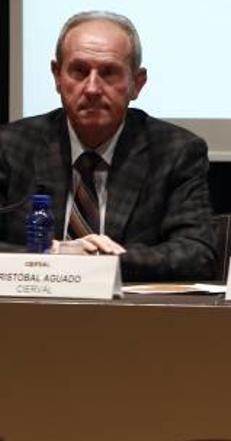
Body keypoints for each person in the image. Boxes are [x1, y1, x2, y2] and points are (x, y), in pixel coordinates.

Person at [0, 11, 216, 281]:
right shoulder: (11, 146)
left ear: (137, 83)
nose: (91, 88)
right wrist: (54, 254)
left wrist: (102, 262)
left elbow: (197, 253)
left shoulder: (175, 151)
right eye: (79, 71)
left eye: (109, 73)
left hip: (128, 317)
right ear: (57, 76)